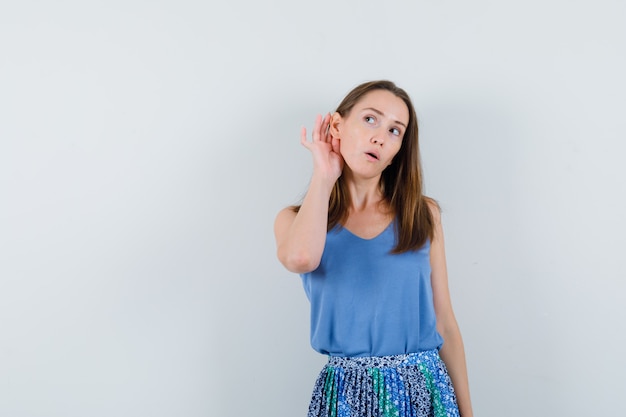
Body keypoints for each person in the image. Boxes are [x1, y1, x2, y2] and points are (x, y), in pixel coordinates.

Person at [274, 80, 473, 417]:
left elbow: (446, 324)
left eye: (396, 130)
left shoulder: (422, 215)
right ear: (337, 125)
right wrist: (324, 174)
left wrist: (468, 414)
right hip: (345, 396)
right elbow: (301, 258)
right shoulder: (294, 220)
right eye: (370, 119)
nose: (381, 136)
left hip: (423, 391)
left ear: (399, 149)